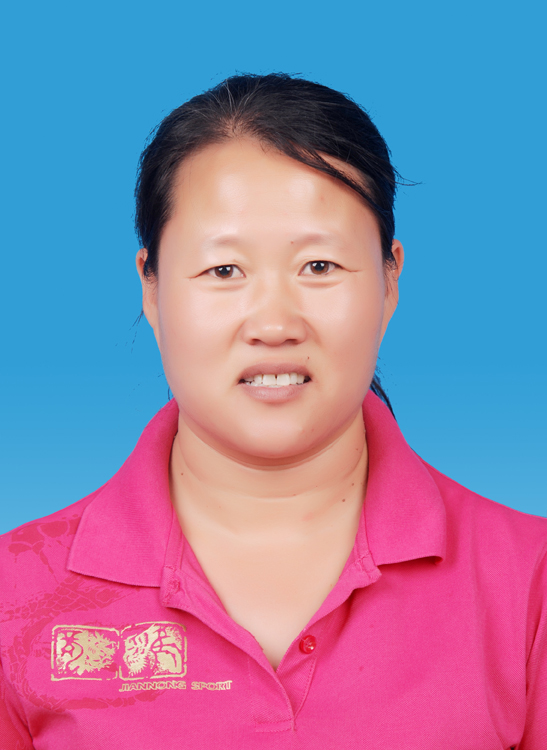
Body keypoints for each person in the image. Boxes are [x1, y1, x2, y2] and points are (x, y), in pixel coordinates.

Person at [0, 73, 545, 750]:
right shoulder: (16, 593)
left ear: (389, 279)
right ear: (152, 288)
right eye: (224, 271)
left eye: (319, 266)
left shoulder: (528, 583)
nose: (274, 324)